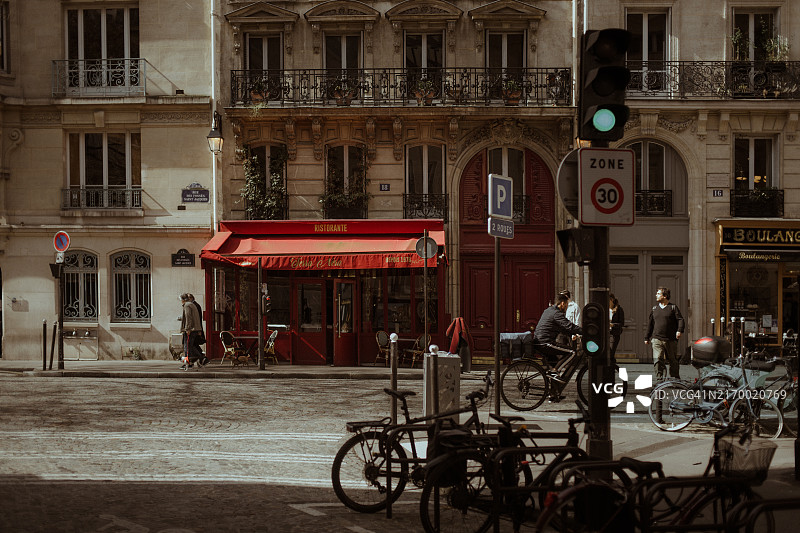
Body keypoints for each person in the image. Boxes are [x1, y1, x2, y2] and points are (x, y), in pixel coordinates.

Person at [644, 287, 685, 380]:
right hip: (656, 339)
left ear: (665, 296)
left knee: (673, 360)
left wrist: (679, 330)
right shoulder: (655, 309)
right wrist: (647, 337)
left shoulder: (673, 308)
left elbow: (680, 320)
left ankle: (675, 379)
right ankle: (659, 379)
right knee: (657, 359)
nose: (656, 295)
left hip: (670, 339)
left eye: (658, 293)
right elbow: (650, 324)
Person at [534, 292, 583, 367]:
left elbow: (563, 329)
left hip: (539, 342)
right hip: (545, 343)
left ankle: (553, 376)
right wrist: (585, 331)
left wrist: (573, 334)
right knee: (572, 352)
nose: (567, 307)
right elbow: (570, 326)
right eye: (566, 305)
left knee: (555, 363)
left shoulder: (548, 310)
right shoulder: (556, 313)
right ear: (562, 304)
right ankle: (555, 372)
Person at [180, 293, 204, 369]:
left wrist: (188, 329)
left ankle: (198, 359)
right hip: (195, 329)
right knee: (191, 346)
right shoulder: (192, 305)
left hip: (191, 329)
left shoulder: (187, 305)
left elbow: (188, 317)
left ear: (183, 300)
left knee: (187, 347)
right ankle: (197, 360)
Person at [188, 294, 208, 366]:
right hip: (196, 328)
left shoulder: (193, 306)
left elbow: (196, 318)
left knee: (191, 345)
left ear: (191, 298)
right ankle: (200, 358)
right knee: (194, 344)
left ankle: (200, 358)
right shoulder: (193, 305)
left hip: (194, 329)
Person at [609, 293, 625, 363]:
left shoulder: (619, 310)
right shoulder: (604, 309)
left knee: (610, 353)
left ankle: (612, 368)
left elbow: (621, 323)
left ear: (611, 300)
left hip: (614, 335)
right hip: (605, 334)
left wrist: (612, 325)